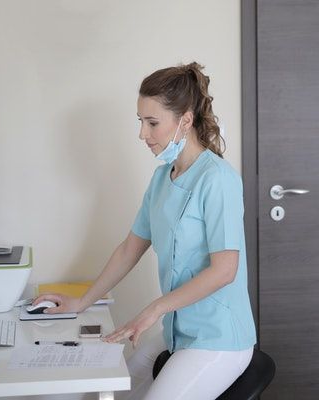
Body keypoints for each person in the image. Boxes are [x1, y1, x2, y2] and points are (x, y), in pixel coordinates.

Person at [32, 62, 256, 400]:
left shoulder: (217, 180)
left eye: (152, 123)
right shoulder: (161, 178)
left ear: (185, 120)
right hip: (177, 329)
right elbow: (130, 248)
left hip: (219, 339)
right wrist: (81, 302)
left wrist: (154, 309)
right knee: (113, 390)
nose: (142, 134)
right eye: (140, 121)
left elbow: (225, 271)